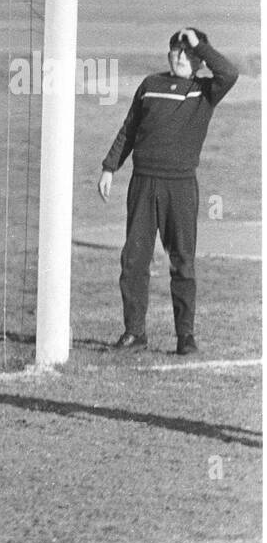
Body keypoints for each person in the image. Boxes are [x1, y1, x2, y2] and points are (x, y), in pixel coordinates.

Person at [98, 28, 238, 355]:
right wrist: (109, 167)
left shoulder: (205, 90)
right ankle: (135, 333)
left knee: (183, 262)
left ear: (200, 59)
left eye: (188, 53)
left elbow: (229, 73)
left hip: (181, 187)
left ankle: (185, 336)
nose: (180, 57)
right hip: (144, 183)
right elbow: (129, 128)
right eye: (176, 50)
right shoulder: (150, 85)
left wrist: (198, 43)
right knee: (133, 260)